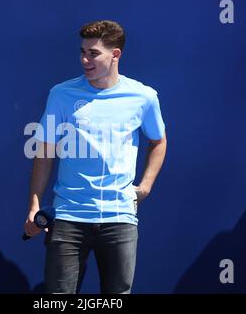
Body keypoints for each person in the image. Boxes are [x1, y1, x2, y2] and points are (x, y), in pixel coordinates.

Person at [24, 20, 167, 294]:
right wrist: (34, 204)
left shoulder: (143, 97)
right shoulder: (61, 94)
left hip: (120, 218)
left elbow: (158, 141)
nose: (84, 59)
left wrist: (146, 185)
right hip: (67, 217)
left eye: (93, 53)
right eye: (82, 52)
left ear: (115, 55)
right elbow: (44, 152)